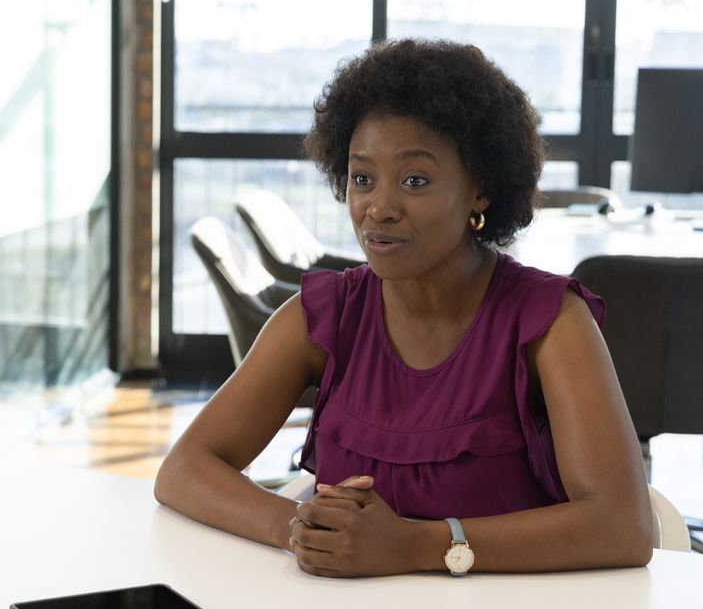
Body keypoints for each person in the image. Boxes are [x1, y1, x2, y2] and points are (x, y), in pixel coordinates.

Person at [154, 38, 653, 577]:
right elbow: (183, 470)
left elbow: (622, 526)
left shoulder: (550, 321)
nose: (379, 208)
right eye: (362, 178)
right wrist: (302, 528)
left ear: (480, 190)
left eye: (415, 180)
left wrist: (415, 546)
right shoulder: (322, 316)